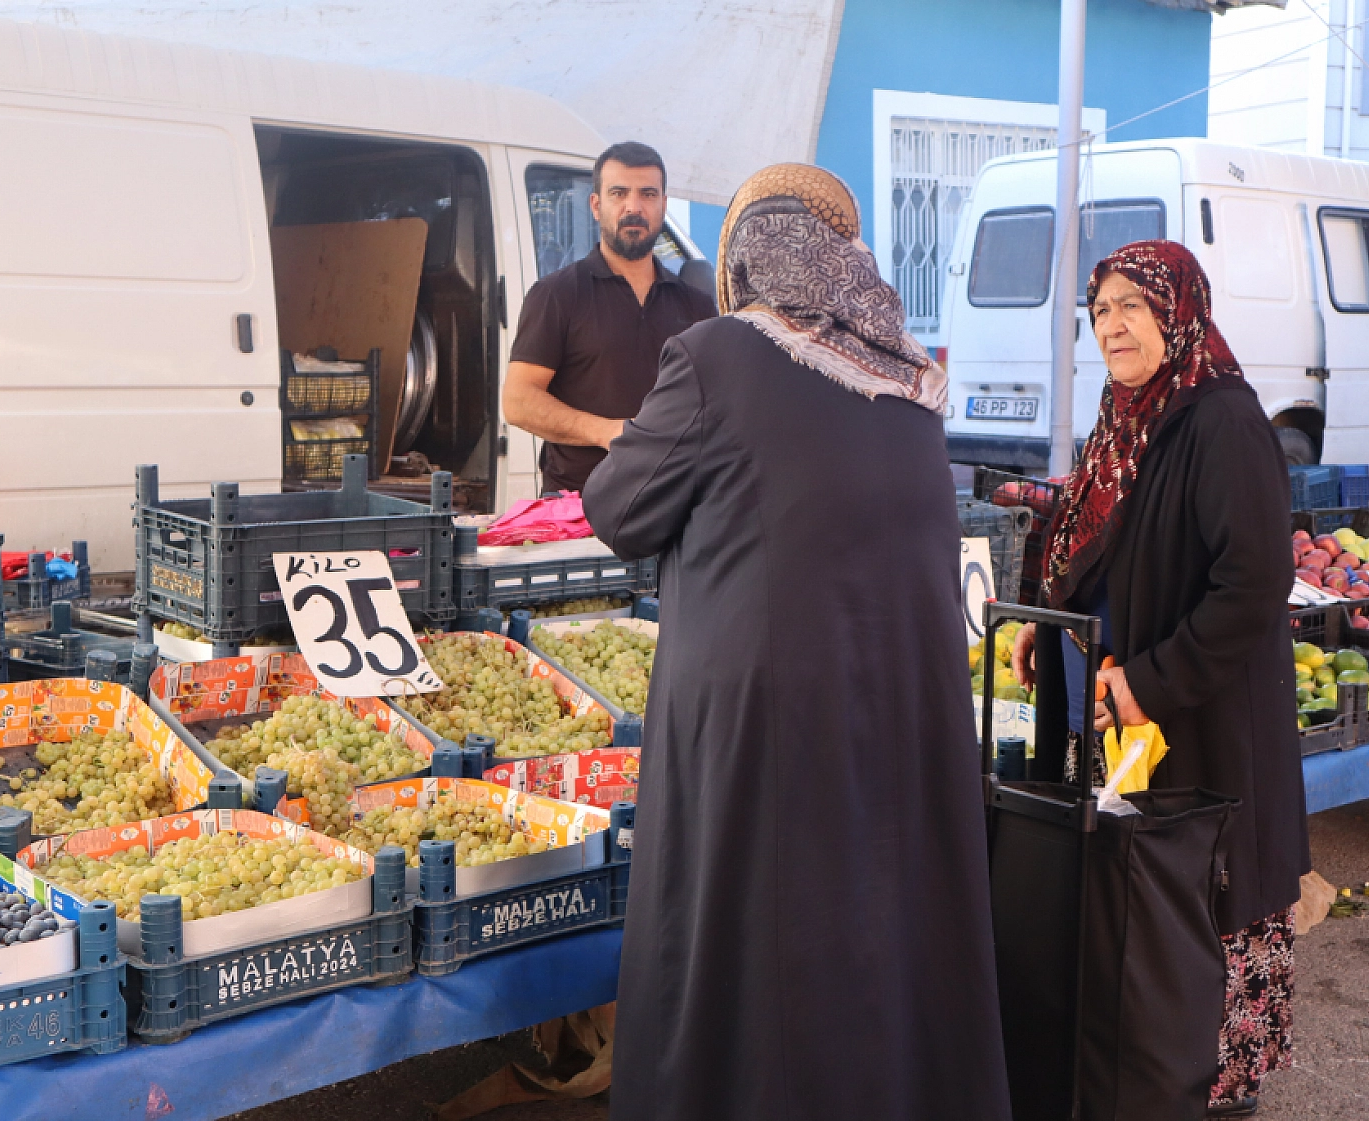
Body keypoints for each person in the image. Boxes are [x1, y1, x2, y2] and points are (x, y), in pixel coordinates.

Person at [584, 164, 1010, 1121]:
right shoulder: (908, 375)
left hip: (765, 723)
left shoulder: (716, 355)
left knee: (754, 945)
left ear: (746, 259)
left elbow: (618, 506)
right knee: (877, 937)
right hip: (901, 713)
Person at [1012, 240, 1309, 1118]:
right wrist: (1044, 617)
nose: (1112, 325)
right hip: (1116, 702)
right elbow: (1087, 538)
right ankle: (1140, 1065)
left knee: (1203, 884)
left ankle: (1212, 1085)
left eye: (1132, 306)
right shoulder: (1124, 414)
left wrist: (1151, 681)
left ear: (1178, 313)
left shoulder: (1220, 418)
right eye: (1100, 310)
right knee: (1141, 879)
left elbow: (1253, 580)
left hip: (1199, 715)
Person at [504, 141, 717, 496]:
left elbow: (717, 404)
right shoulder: (558, 295)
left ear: (664, 206)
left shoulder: (695, 305)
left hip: (675, 505)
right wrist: (607, 432)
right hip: (580, 507)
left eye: (648, 194)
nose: (634, 207)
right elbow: (518, 401)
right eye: (619, 193)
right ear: (596, 205)